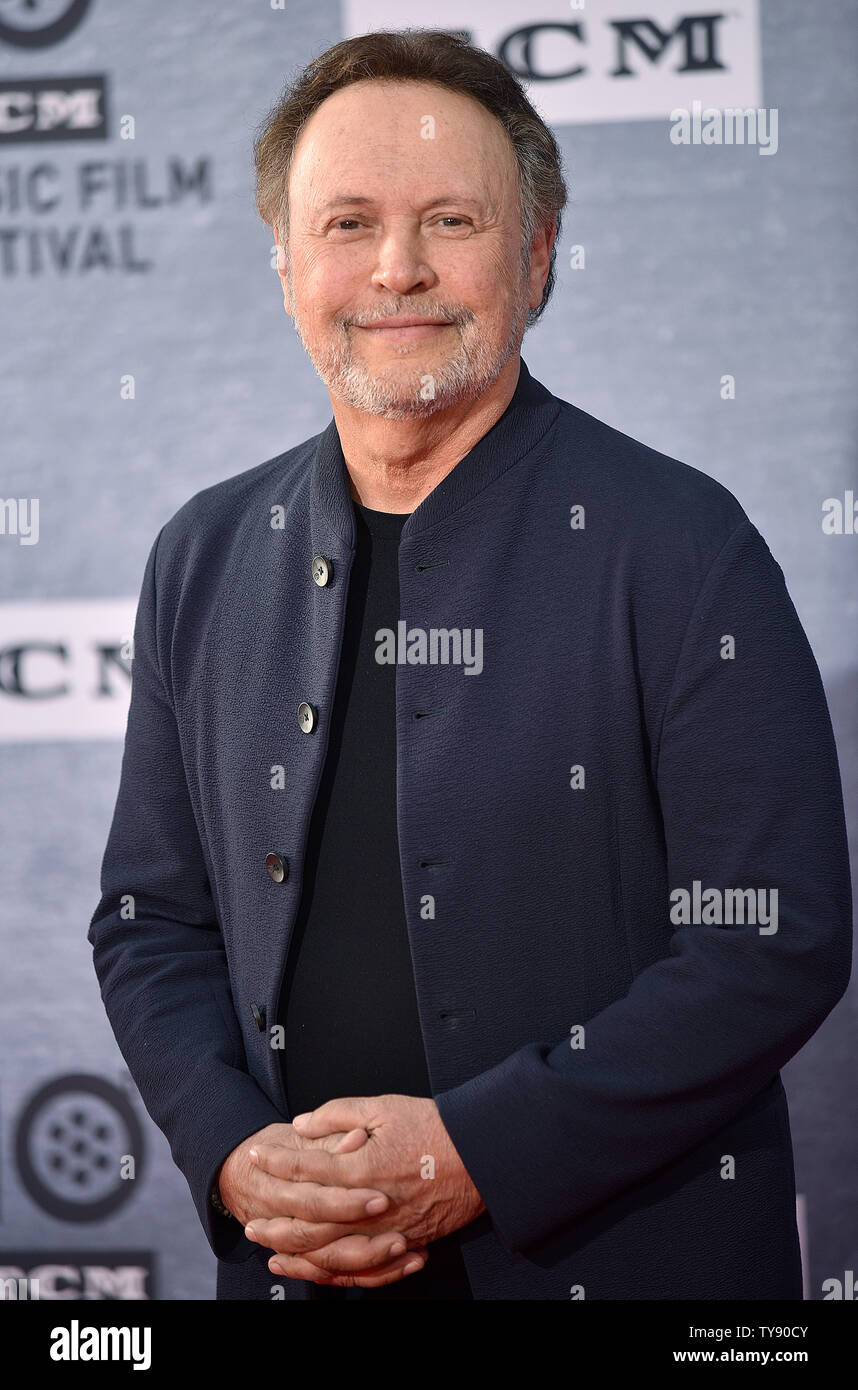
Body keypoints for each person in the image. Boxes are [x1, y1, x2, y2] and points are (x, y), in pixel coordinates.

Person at [88, 29, 852, 1301]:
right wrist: (233, 1154)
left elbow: (771, 940)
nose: (398, 268)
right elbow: (150, 921)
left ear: (537, 255)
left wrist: (475, 1151)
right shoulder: (205, 554)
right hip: (297, 1273)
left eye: (450, 218)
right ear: (286, 266)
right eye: (347, 223)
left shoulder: (682, 544)